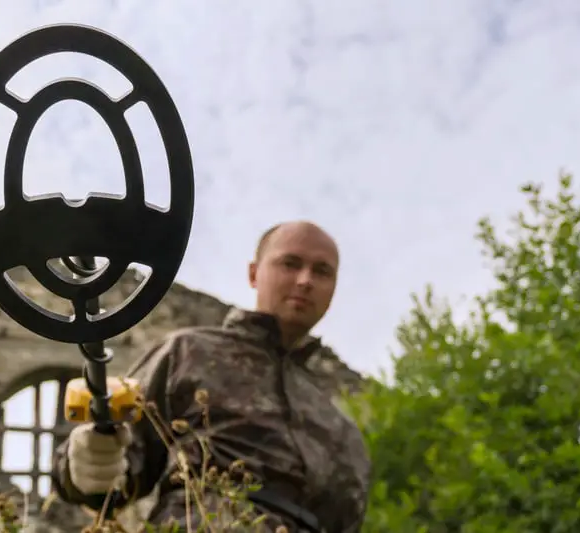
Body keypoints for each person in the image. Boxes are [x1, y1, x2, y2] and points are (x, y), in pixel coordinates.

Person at [52, 221, 371, 532]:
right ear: (253, 273)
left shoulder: (342, 429)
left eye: (322, 271)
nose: (305, 280)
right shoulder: (189, 353)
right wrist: (88, 463)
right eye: (290, 263)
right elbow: (115, 469)